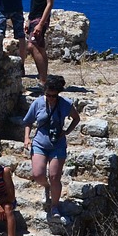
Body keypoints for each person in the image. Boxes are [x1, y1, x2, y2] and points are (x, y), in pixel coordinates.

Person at [22, 75, 81, 219]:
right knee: (37, 174)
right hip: (40, 143)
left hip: (57, 145)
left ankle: (55, 205)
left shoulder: (65, 104)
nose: (50, 98)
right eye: (47, 95)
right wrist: (26, 138)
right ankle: (46, 186)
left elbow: (76, 118)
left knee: (55, 177)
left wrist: (66, 131)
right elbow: (28, 121)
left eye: (53, 96)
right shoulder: (37, 103)